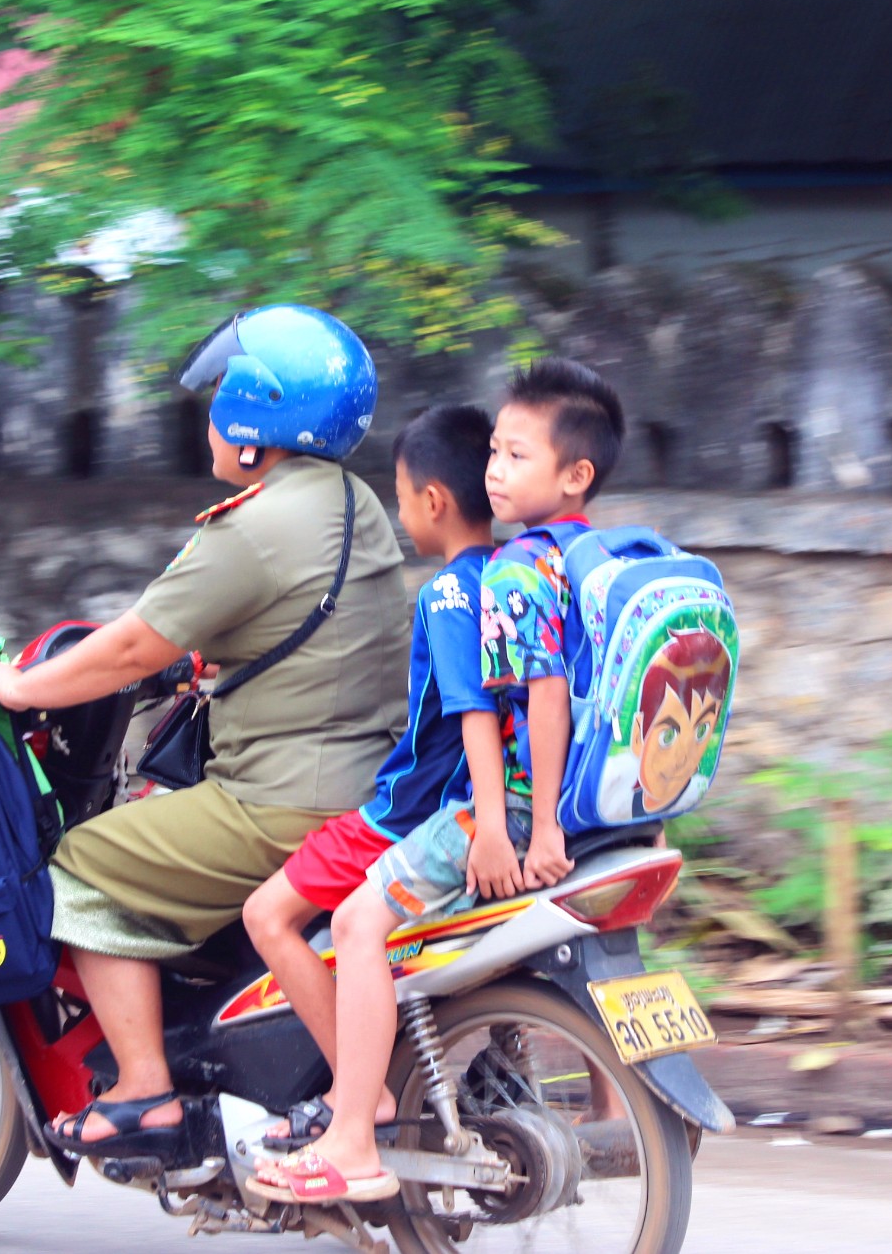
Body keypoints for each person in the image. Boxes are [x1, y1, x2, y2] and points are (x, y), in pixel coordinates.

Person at [0, 305, 411, 1160]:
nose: (208, 416)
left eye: (221, 399)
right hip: (366, 785)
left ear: (256, 424)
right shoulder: (355, 503)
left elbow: (132, 644)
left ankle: (145, 1090)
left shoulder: (250, 530)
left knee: (79, 863)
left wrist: (22, 686)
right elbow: (294, 625)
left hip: (276, 803)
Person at [251, 357, 627, 1204]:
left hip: (504, 808)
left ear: (575, 474)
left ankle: (351, 1133)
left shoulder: (504, 574)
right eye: (494, 451)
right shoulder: (597, 556)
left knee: (350, 921)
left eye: (517, 455)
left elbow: (503, 709)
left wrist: (506, 828)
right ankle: (612, 1106)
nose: (497, 470)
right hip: (591, 802)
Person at [237, 405, 502, 1197]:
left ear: (432, 501)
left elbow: (469, 709)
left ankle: (361, 1099)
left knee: (268, 915)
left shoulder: (451, 592)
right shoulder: (522, 573)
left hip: (408, 810)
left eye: (398, 494)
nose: (398, 511)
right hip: (455, 803)